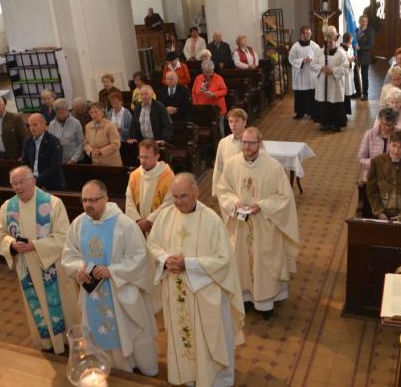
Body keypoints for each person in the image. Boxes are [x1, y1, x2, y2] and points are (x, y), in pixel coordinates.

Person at [146, 173, 245, 387]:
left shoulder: (211, 220)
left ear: (196, 192)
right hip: (175, 290)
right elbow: (153, 244)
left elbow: (223, 259)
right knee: (183, 338)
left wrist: (188, 264)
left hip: (204, 295)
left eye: (184, 196)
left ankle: (213, 380)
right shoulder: (165, 216)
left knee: (207, 339)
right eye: (175, 197)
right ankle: (188, 377)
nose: (179, 202)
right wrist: (165, 260)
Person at [60, 180, 159, 375]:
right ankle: (106, 366)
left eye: (93, 200)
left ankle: (133, 365)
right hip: (92, 294)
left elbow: (139, 258)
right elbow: (69, 254)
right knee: (97, 331)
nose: (88, 205)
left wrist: (112, 271)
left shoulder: (124, 224)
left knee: (129, 329)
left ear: (106, 199)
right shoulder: (79, 223)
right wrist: (78, 267)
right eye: (84, 200)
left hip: (120, 291)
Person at [0, 166, 79, 354]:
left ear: (33, 180)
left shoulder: (53, 204)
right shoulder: (8, 207)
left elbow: (64, 237)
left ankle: (69, 341)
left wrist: (36, 246)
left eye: (21, 182)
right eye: (14, 183)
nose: (18, 187)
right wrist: (11, 244)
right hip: (26, 267)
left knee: (62, 303)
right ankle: (47, 342)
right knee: (36, 304)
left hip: (52, 266)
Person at [216, 127, 299, 319]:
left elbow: (284, 197)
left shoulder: (273, 166)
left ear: (260, 143)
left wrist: (261, 206)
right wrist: (234, 203)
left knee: (264, 264)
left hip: (264, 225)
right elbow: (223, 190)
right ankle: (245, 299)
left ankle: (265, 303)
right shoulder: (232, 164)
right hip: (240, 223)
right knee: (241, 262)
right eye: (244, 142)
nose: (246, 146)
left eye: (251, 143)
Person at [366, 129, 401, 221]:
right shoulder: (377, 162)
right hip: (381, 213)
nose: (396, 151)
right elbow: (372, 190)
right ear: (389, 143)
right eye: (394, 145)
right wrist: (379, 212)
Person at [124, 139, 174, 235]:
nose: (143, 161)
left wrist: (149, 221)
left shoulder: (167, 176)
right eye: (141, 157)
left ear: (157, 157)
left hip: (158, 228)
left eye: (147, 157)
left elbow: (169, 203)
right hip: (138, 227)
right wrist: (137, 220)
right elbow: (129, 200)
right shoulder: (135, 175)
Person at [313, 26, 349, 132]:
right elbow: (313, 64)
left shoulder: (341, 53)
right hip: (323, 82)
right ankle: (325, 123)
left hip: (335, 83)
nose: (328, 44)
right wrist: (321, 68)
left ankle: (336, 124)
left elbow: (345, 67)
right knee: (324, 102)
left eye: (331, 42)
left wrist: (332, 70)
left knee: (335, 102)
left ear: (335, 40)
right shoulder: (320, 52)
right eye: (327, 42)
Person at [22, 113, 66, 191]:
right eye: (30, 125)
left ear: (43, 125)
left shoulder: (53, 142)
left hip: (51, 183)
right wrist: (29, 177)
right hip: (32, 181)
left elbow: (55, 166)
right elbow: (25, 162)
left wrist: (38, 180)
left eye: (35, 125)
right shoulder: (28, 141)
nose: (32, 128)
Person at [212, 108, 247, 203]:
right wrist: (216, 189)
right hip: (229, 187)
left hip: (247, 185)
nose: (233, 124)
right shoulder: (224, 142)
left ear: (244, 122)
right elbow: (218, 166)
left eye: (237, 121)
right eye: (231, 121)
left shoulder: (253, 141)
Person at [289, 25, 320, 118]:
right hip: (300, 74)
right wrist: (302, 61)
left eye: (310, 33)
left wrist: (312, 60)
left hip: (311, 74)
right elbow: (291, 59)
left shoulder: (314, 45)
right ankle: (300, 112)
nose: (309, 35)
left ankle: (312, 113)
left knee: (311, 93)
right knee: (300, 94)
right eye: (307, 33)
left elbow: (319, 56)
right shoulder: (295, 47)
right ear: (301, 34)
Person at [359, 107, 399, 178]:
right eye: (384, 124)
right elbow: (361, 158)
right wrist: (375, 164)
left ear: (395, 123)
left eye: (390, 125)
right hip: (373, 174)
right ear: (379, 121)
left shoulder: (400, 135)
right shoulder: (370, 134)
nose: (387, 127)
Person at [192, 60, 229, 134]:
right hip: (202, 109)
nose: (208, 74)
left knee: (220, 129)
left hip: (217, 110)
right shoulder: (198, 78)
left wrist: (214, 94)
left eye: (210, 72)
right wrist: (196, 105)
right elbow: (193, 92)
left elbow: (224, 90)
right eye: (206, 72)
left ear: (213, 70)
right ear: (202, 70)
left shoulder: (219, 78)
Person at [84, 102, 122, 166]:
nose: (93, 114)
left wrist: (101, 151)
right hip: (96, 163)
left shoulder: (110, 125)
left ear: (102, 113)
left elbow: (116, 144)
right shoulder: (88, 126)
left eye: (96, 111)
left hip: (112, 164)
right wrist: (91, 151)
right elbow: (85, 143)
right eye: (91, 112)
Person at [48, 98, 84, 164]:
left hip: (76, 161)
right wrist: (57, 145)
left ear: (68, 110)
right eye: (59, 113)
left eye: (64, 113)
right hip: (60, 160)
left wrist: (74, 159)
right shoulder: (52, 125)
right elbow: (50, 143)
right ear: (55, 112)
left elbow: (81, 143)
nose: (62, 115)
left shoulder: (76, 123)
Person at [353, 14, 374, 100]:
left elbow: (371, 45)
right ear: (359, 21)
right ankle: (358, 92)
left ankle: (365, 93)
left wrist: (361, 47)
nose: (363, 23)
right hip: (355, 56)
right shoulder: (356, 30)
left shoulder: (370, 31)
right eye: (362, 21)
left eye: (365, 21)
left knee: (364, 76)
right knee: (356, 75)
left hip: (365, 56)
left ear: (367, 22)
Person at [339, 32, 356, 115]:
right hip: (342, 75)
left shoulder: (350, 48)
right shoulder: (340, 50)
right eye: (351, 40)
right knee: (342, 93)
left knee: (347, 93)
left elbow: (351, 60)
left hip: (349, 74)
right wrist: (348, 61)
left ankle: (346, 111)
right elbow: (339, 63)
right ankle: (342, 112)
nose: (352, 42)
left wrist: (351, 62)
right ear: (348, 40)